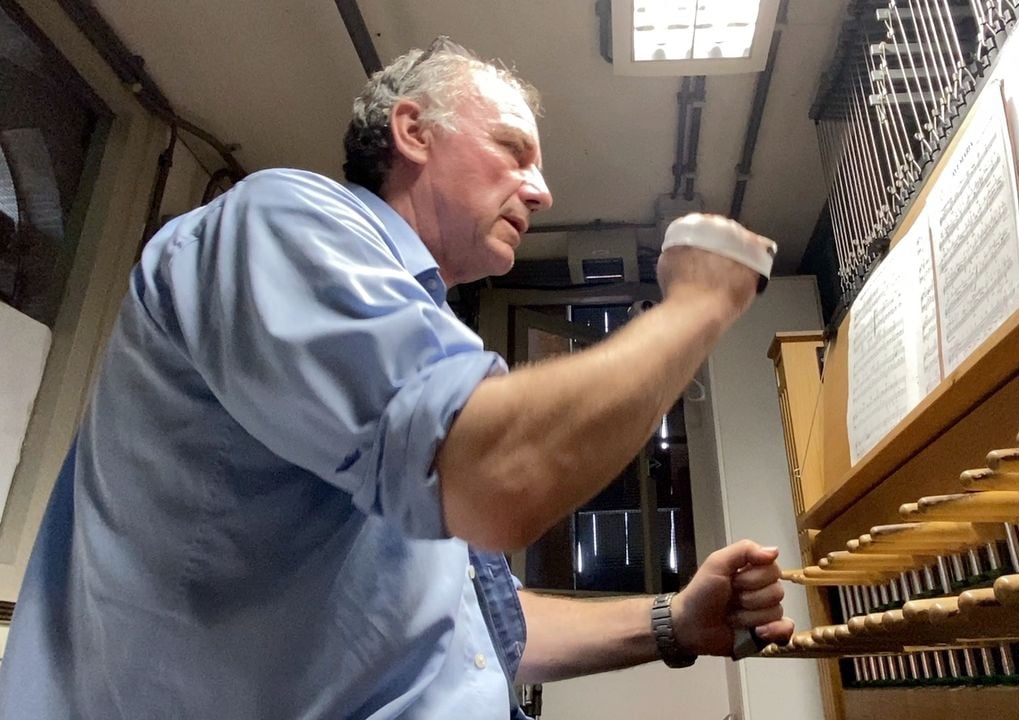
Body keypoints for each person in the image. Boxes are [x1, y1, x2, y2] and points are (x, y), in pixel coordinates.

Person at [0, 39, 793, 719]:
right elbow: (501, 477)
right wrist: (698, 303)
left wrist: (673, 623)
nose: (543, 190)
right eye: (515, 149)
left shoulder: (421, 335)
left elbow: (470, 633)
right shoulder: (286, 218)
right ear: (413, 130)